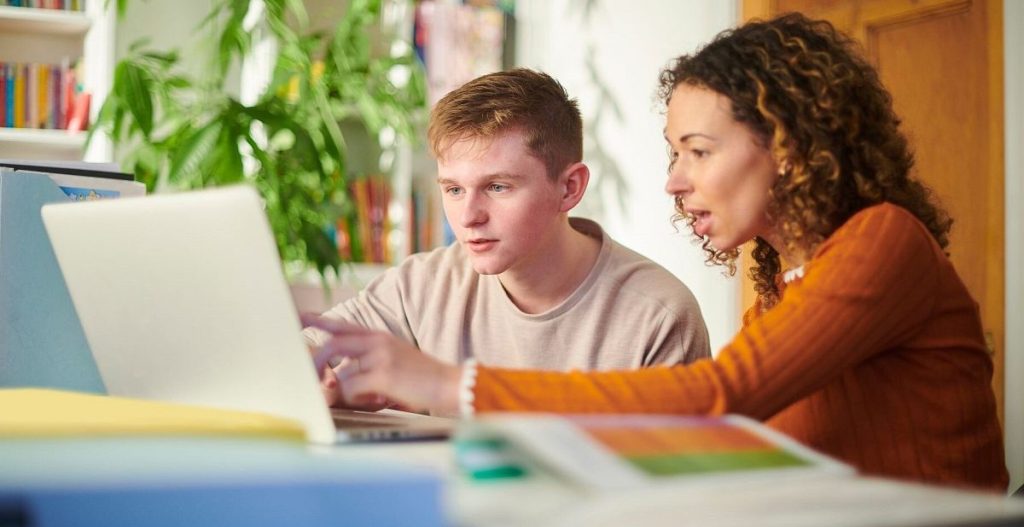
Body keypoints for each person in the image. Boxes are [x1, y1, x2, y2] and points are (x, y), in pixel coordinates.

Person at [304, 14, 1007, 491]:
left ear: (789, 149)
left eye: (697, 152)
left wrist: (444, 386)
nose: (674, 181)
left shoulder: (883, 241)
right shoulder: (785, 281)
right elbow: (737, 443)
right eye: (676, 154)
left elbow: (715, 398)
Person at [305, 68, 710, 406]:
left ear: (569, 188)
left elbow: (661, 484)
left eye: (498, 187)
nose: (468, 216)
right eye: (454, 189)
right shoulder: (422, 285)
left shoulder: (658, 316)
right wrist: (325, 386)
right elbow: (305, 352)